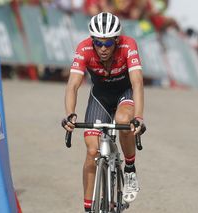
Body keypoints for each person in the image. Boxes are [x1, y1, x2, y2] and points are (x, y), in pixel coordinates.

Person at [61, 12, 145, 212]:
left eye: (108, 44)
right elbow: (72, 85)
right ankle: (88, 208)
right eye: (98, 43)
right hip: (100, 97)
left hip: (124, 93)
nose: (103, 48)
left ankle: (130, 169)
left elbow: (137, 83)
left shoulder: (128, 45)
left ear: (116, 40)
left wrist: (139, 118)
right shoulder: (84, 48)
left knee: (123, 120)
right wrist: (70, 114)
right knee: (92, 150)